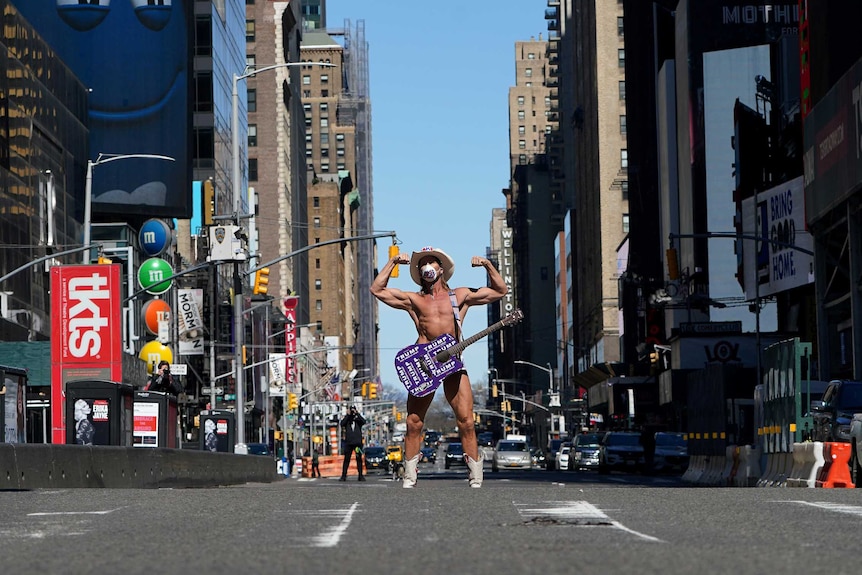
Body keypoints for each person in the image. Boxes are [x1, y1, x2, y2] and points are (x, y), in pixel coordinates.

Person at [370, 246, 507, 488]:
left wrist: (487, 265)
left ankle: (475, 473)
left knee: (466, 421)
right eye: (423, 264)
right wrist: (392, 262)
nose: (427, 267)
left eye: (432, 262)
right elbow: (377, 289)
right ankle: (410, 474)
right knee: (414, 421)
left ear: (441, 269)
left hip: (453, 365)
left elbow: (500, 291)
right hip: (424, 366)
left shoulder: (460, 296)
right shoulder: (414, 299)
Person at [339, 405, 366, 481]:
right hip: (349, 443)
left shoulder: (358, 420)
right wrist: (348, 415)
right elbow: (342, 424)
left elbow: (364, 421)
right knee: (346, 459)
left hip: (357, 444)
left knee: (359, 458)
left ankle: (360, 475)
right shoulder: (347, 420)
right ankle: (344, 475)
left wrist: (357, 414)